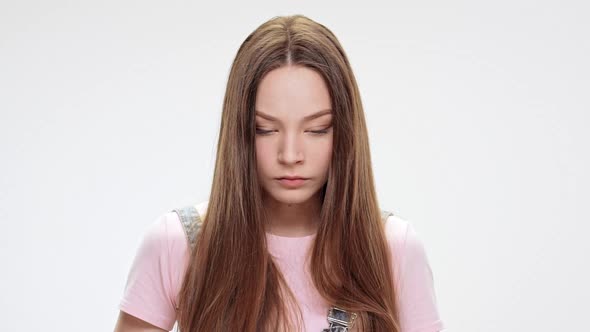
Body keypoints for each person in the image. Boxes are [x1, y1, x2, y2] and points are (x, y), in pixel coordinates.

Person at [113, 14, 444, 332]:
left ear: (344, 131)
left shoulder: (393, 248)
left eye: (316, 129)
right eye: (265, 130)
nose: (290, 155)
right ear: (239, 132)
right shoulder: (177, 244)